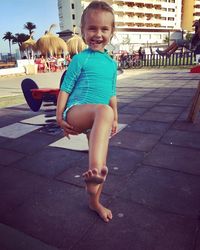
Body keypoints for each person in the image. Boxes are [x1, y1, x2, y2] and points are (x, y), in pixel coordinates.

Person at [56, 1, 118, 223]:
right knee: (104, 111)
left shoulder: (111, 64)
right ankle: (94, 173)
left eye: (104, 29)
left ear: (112, 32)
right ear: (82, 31)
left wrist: (115, 116)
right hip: (76, 112)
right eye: (92, 28)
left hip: (100, 118)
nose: (98, 34)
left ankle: (95, 199)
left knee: (101, 164)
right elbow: (65, 89)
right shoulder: (80, 59)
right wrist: (59, 116)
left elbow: (112, 92)